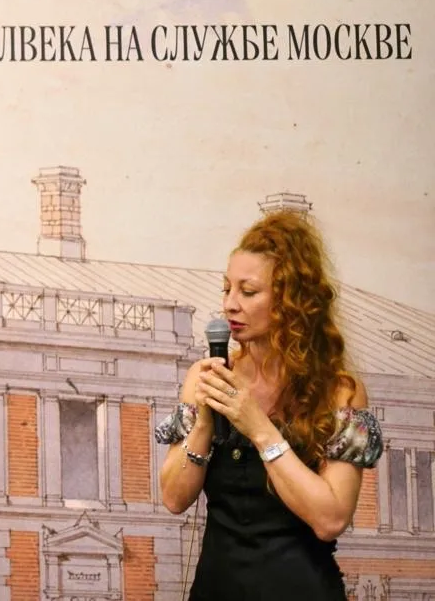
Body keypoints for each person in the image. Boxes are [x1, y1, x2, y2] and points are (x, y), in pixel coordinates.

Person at [155, 209, 384, 599]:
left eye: (248, 292)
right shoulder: (205, 376)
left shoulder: (338, 391)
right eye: (226, 289)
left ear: (292, 301)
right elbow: (174, 498)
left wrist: (260, 428)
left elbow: (330, 519)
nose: (230, 305)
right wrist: (205, 423)